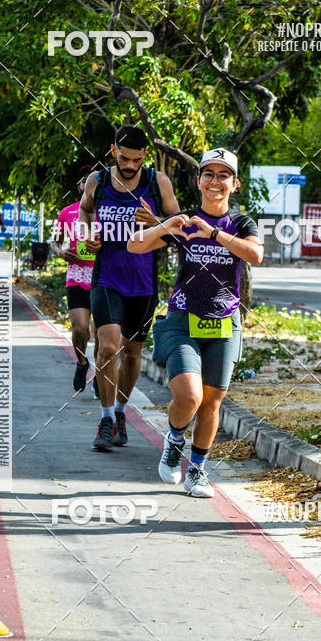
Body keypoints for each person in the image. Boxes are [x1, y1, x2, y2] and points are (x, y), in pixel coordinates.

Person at [128, 148, 263, 497]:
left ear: (235, 184)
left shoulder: (241, 224)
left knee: (212, 402)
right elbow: (134, 246)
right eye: (208, 174)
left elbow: (255, 255)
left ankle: (198, 470)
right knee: (190, 396)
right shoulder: (185, 221)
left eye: (223, 176)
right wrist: (165, 225)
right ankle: (174, 442)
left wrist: (215, 234)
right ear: (199, 180)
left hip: (224, 322)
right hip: (182, 318)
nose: (215, 182)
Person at [81, 125, 180, 452]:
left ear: (143, 158)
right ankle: (106, 419)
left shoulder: (157, 182)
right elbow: (84, 210)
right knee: (108, 347)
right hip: (107, 277)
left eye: (136, 160)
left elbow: (179, 224)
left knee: (133, 353)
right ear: (113, 151)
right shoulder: (99, 181)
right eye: (124, 158)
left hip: (143, 283)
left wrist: (155, 223)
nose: (129, 166)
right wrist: (87, 236)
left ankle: (121, 413)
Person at [51, 175, 100, 397]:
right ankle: (82, 362)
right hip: (77, 277)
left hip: (104, 278)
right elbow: (54, 241)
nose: (90, 185)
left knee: (102, 334)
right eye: (85, 181)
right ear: (80, 185)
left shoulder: (109, 212)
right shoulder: (66, 212)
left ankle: (101, 374)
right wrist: (62, 252)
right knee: (81, 329)